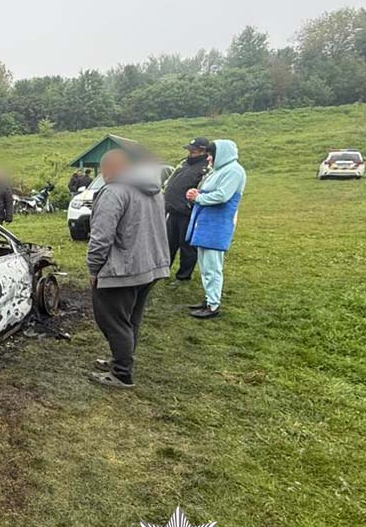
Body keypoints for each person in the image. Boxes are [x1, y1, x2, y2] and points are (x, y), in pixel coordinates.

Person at [87, 150, 170, 388]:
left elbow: (101, 237)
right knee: (131, 319)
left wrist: (94, 269)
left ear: (108, 169)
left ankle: (122, 373)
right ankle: (122, 359)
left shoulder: (113, 192)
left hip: (122, 270)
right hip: (151, 266)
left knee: (113, 321)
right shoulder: (154, 190)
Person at [185, 140, 247, 319]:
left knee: (213, 266)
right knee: (205, 266)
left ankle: (213, 305)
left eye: (211, 155)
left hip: (217, 225)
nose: (209, 158)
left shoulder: (234, 171)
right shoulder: (219, 170)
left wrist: (198, 198)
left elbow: (222, 195)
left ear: (222, 154)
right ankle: (209, 298)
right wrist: (196, 193)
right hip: (206, 223)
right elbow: (207, 191)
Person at [162, 137, 210, 285]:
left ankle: (183, 277)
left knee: (187, 246)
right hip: (172, 210)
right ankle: (163, 271)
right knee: (168, 243)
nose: (190, 152)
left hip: (188, 213)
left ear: (203, 151)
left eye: (194, 150)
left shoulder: (206, 168)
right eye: (190, 149)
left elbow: (204, 189)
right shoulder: (184, 163)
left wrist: (189, 204)